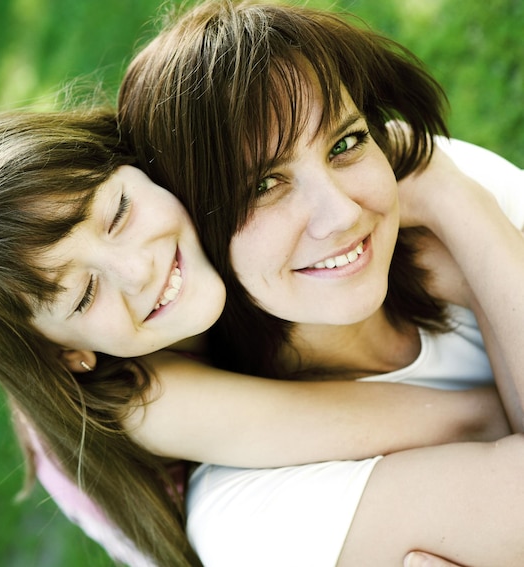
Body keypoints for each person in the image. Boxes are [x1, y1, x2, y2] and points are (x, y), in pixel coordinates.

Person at [0, 106, 508, 567]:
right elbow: (469, 420)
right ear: (69, 353)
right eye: (84, 293)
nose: (140, 271)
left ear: (136, 164)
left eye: (119, 215)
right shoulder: (148, 401)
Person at [118, 1, 524, 565]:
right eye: (263, 185)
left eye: (345, 143)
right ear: (190, 233)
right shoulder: (247, 520)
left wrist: (457, 202)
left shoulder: (441, 186)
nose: (341, 214)